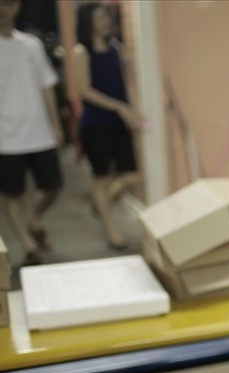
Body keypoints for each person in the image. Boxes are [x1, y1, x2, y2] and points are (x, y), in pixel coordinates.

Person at [73, 2, 144, 250]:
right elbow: (85, 91)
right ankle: (111, 230)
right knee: (101, 178)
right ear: (89, 22)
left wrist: (131, 109)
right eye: (100, 18)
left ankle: (100, 203)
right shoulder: (82, 52)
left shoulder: (116, 47)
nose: (106, 21)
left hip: (119, 122)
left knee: (131, 176)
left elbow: (122, 84)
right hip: (96, 125)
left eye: (107, 17)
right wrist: (118, 107)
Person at [0, 0, 64, 266]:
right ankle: (29, 247)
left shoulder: (31, 45)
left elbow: (46, 86)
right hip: (6, 137)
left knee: (52, 187)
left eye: (7, 4)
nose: (2, 10)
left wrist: (56, 125)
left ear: (16, 7)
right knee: (12, 195)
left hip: (39, 132)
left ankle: (34, 220)